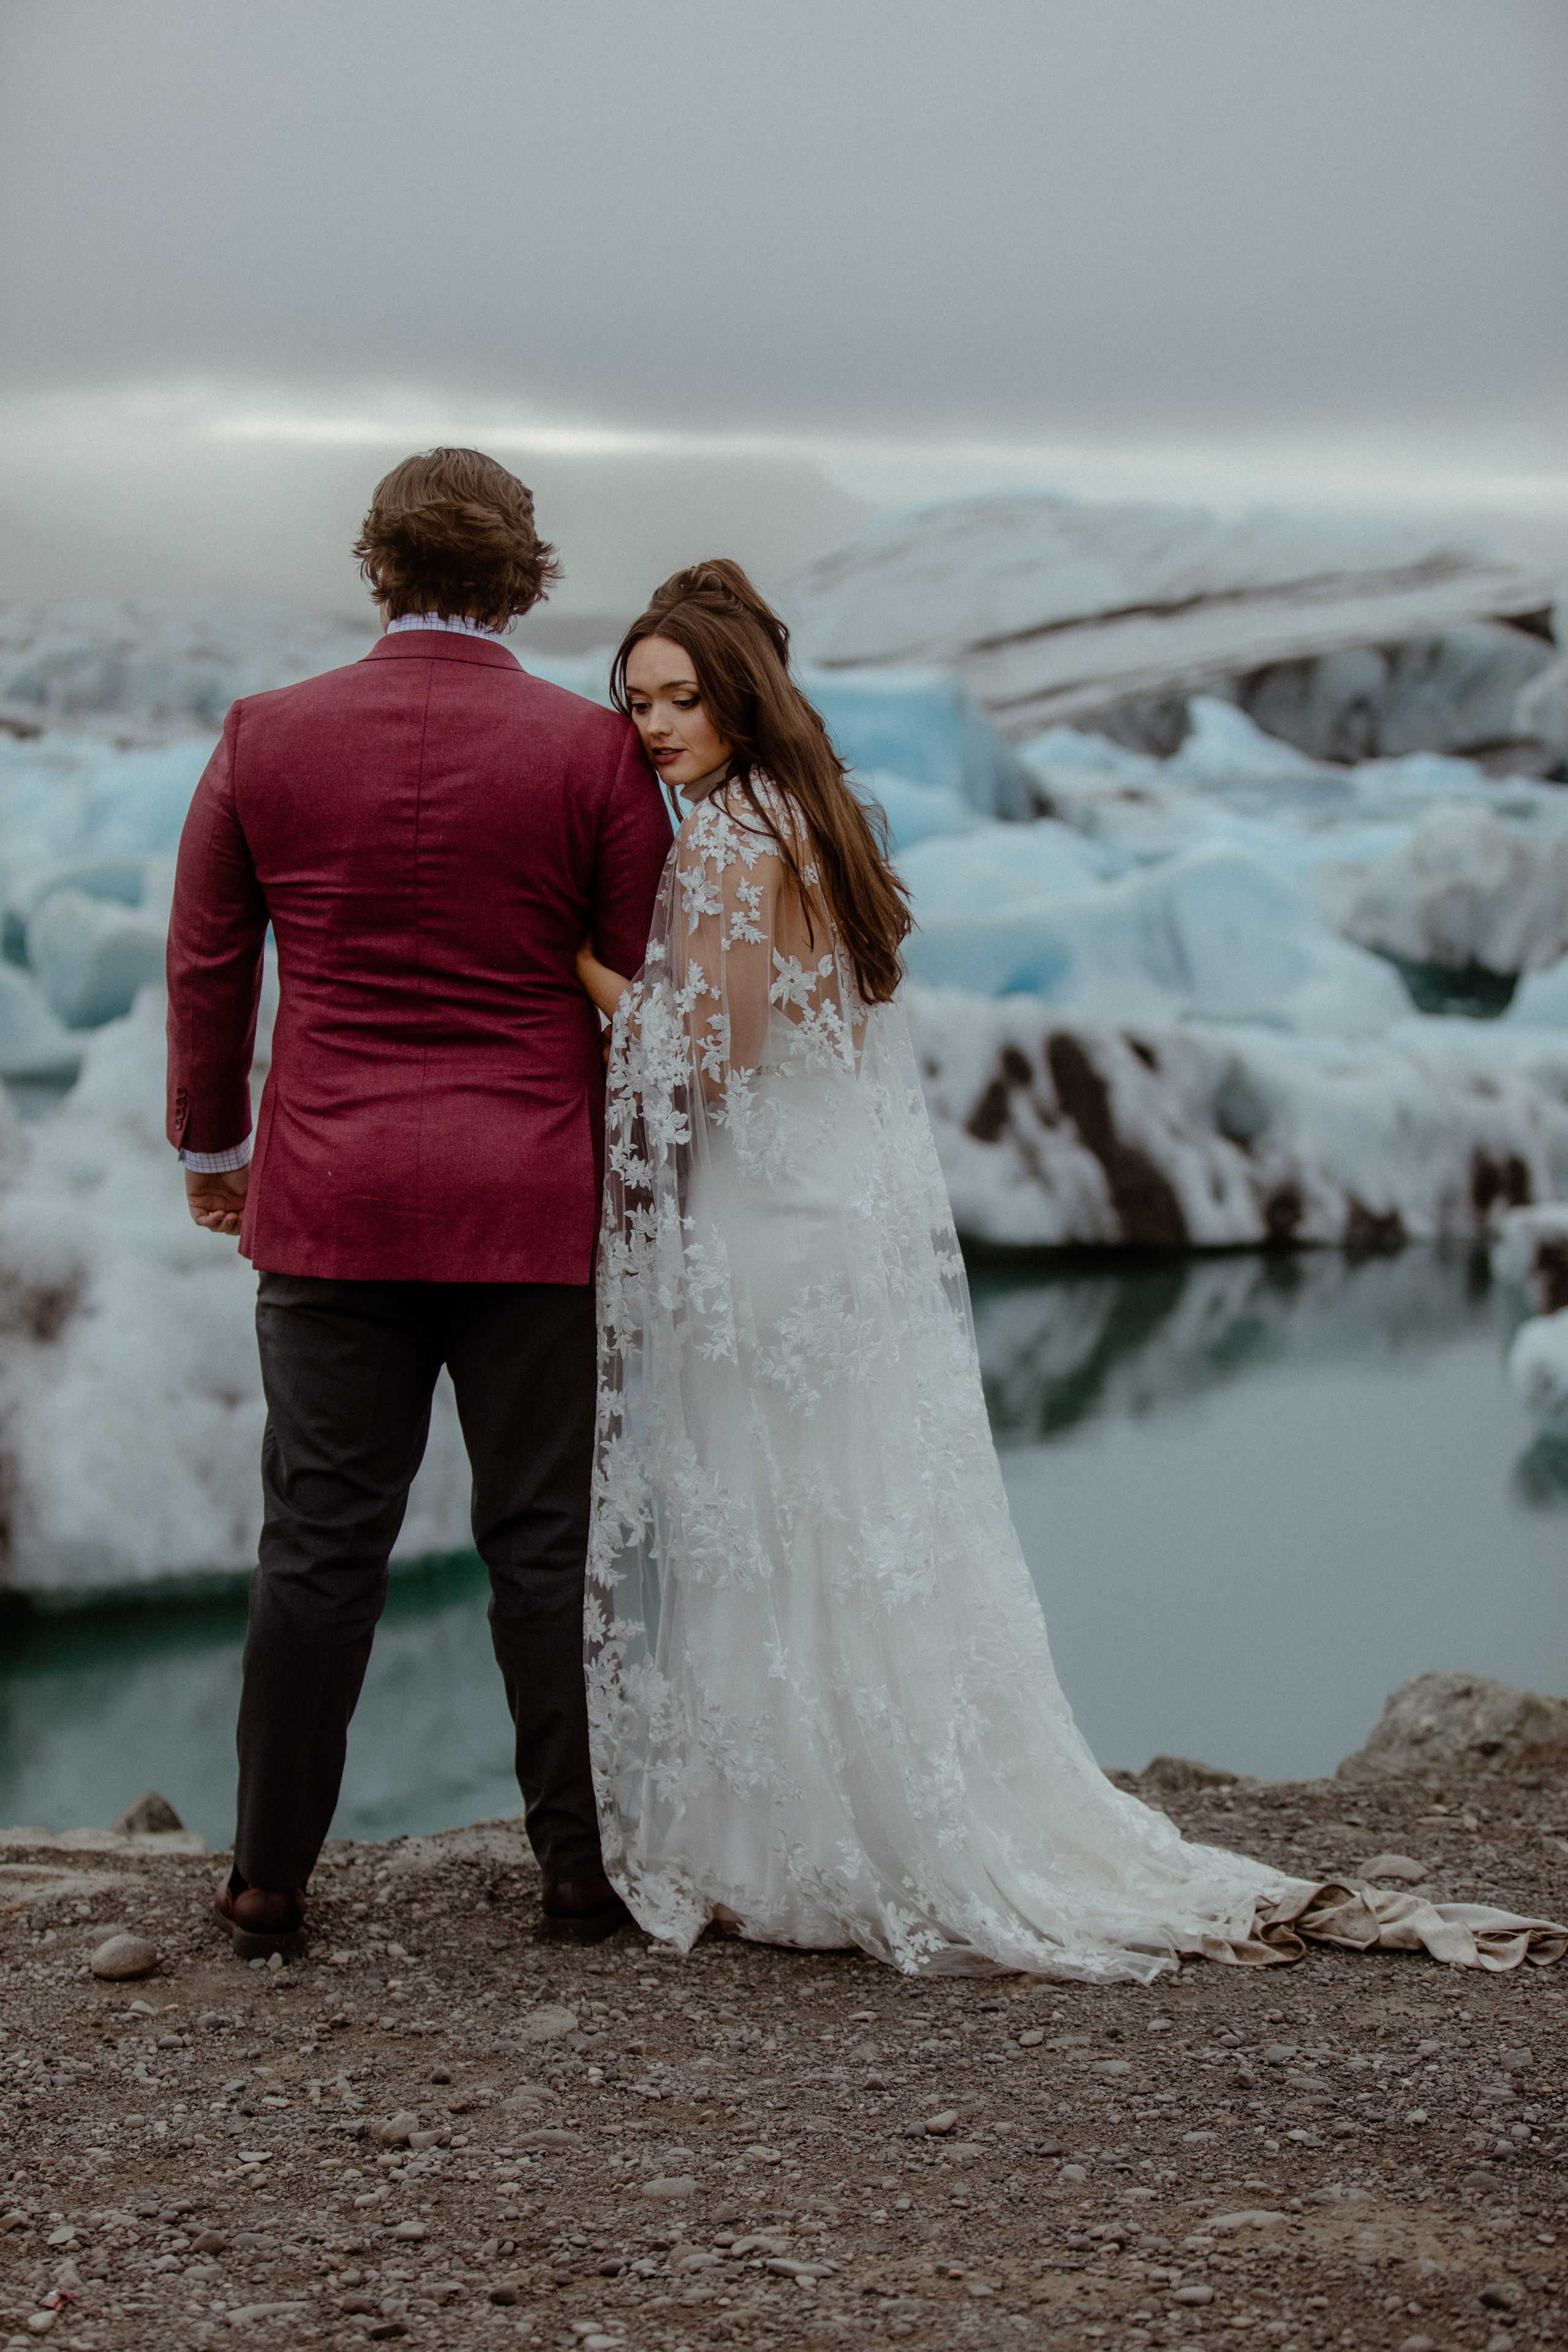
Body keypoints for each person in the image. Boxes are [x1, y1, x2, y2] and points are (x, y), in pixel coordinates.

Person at [576, 561, 1566, 1981]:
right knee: (839, 1522)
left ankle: (792, 1841)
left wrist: (587, 978)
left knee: (778, 1519)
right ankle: (851, 1813)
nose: (655, 726)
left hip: (770, 1235)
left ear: (738, 698)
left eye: (679, 699)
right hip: (823, 1225)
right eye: (637, 703)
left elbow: (710, 1061)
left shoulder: (731, 840)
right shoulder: (816, 818)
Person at [166, 448, 673, 1958]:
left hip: (331, 1202)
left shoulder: (265, 738)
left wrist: (214, 1153)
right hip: (531, 1199)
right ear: (524, 573)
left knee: (317, 1542)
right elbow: (638, 990)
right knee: (543, 1544)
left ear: (377, 564)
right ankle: (577, 1875)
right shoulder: (594, 754)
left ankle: (265, 1882)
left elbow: (207, 968)